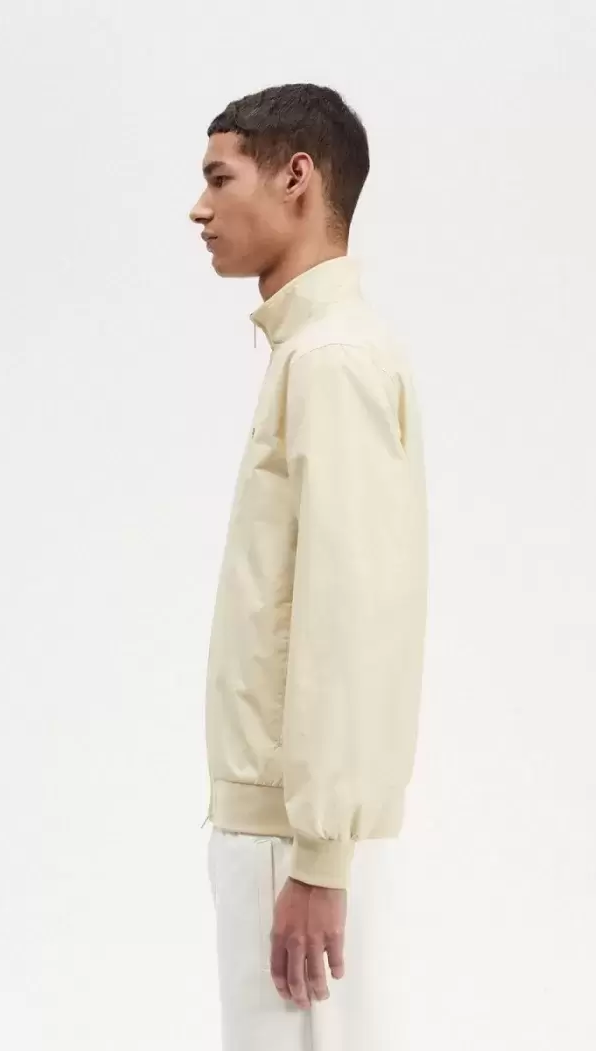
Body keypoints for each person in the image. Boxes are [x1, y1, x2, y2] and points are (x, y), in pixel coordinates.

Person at [188, 82, 429, 1050]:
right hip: (289, 825)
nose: (199, 208)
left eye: (219, 179)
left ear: (297, 177)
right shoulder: (318, 352)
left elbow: (350, 612)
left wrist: (320, 857)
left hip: (290, 833)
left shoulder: (329, 360)